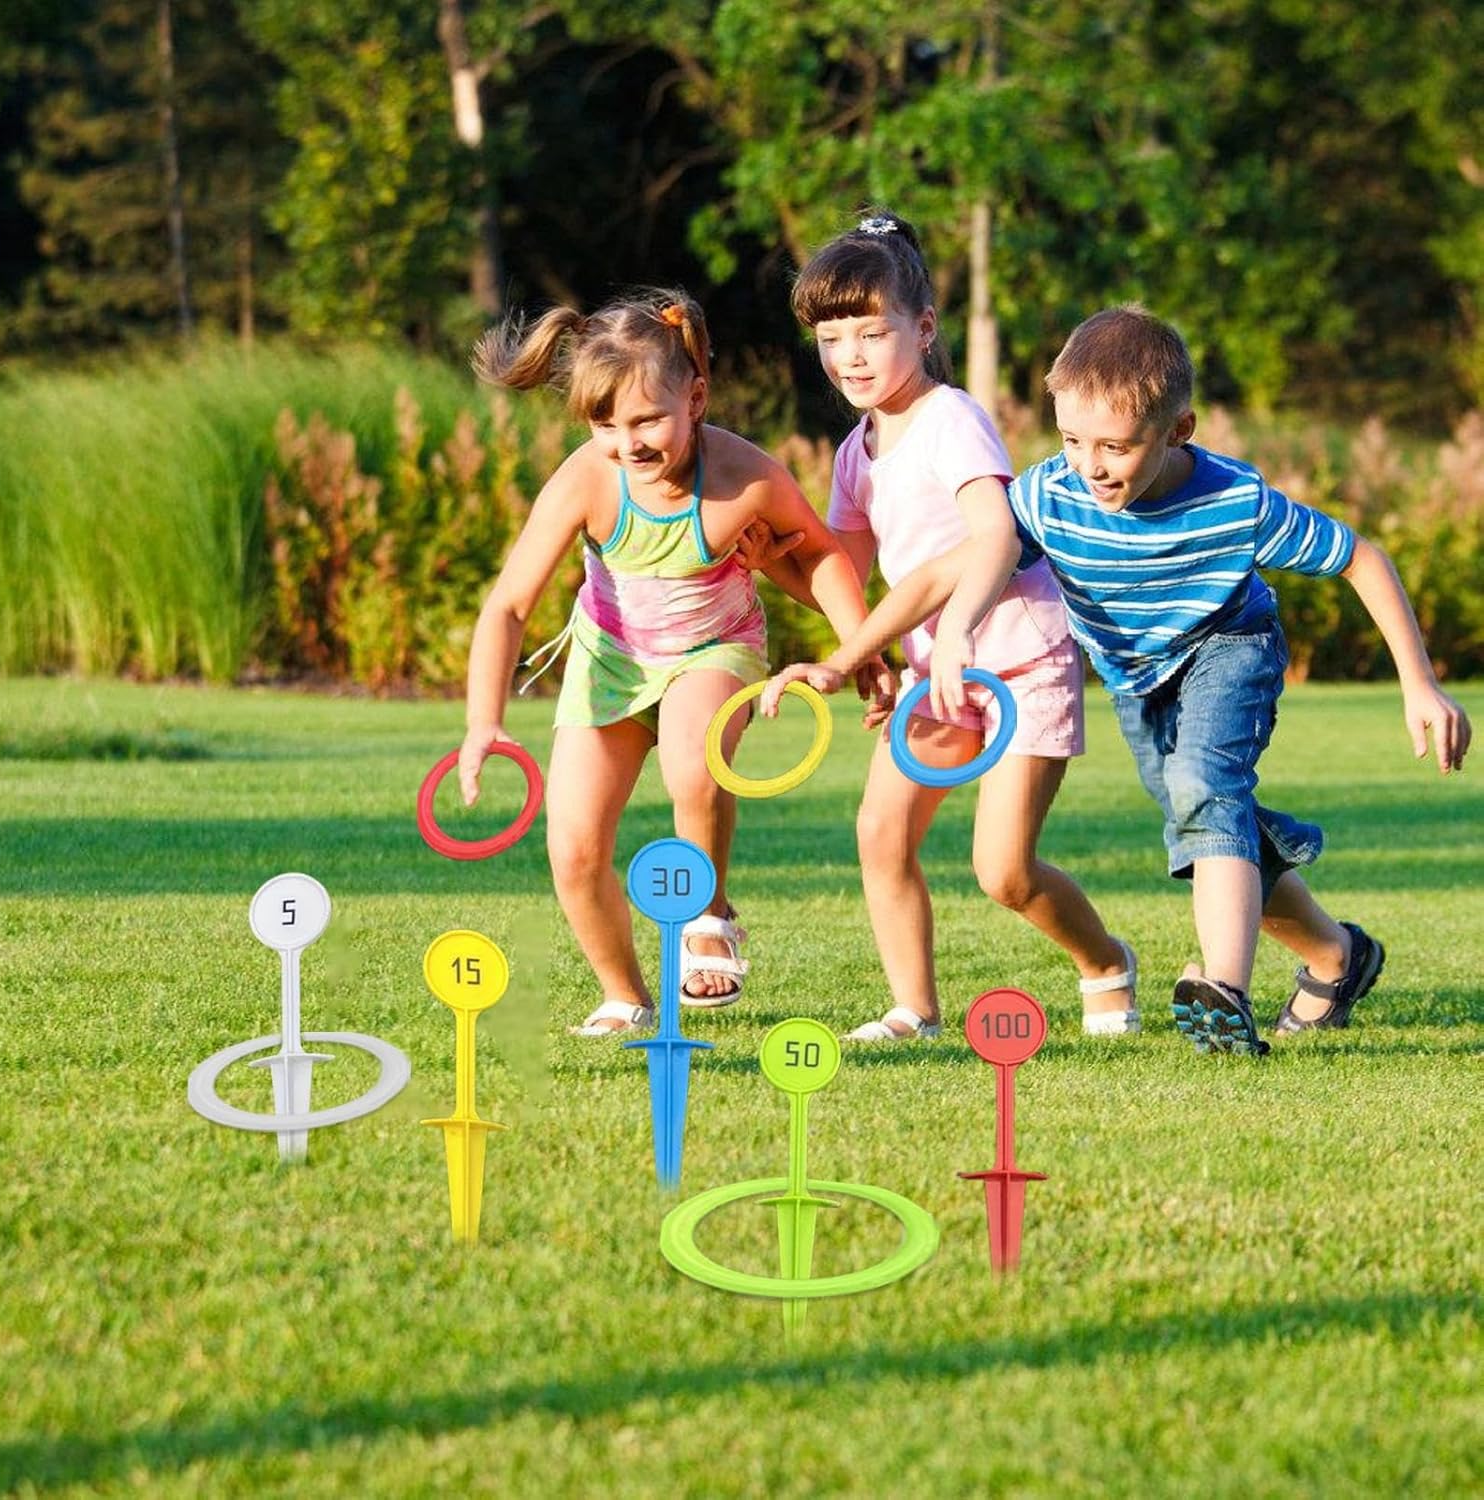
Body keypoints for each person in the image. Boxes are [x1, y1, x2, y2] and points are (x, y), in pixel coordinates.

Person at [772, 303, 1472, 1054]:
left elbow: (1361, 557)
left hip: (1229, 646)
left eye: (1116, 446)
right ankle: (1336, 954)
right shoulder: (1053, 495)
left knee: (1204, 791)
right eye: (1072, 440)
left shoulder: (1235, 503)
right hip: (1137, 679)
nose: (1092, 466)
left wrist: (1419, 684)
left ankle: (1224, 994)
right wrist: (849, 657)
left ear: (1179, 430)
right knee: (1208, 823)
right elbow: (948, 571)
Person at [752, 213, 1138, 1043]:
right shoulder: (854, 453)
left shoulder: (951, 419)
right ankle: (914, 1010)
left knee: (1003, 872)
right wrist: (768, 567)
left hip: (1020, 658)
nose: (850, 356)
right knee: (880, 830)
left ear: (923, 329)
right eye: (830, 338)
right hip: (939, 671)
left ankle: (1105, 963)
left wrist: (955, 629)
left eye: (871, 333)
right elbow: (843, 579)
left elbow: (994, 536)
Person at [461, 290, 869, 1035]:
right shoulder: (588, 479)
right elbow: (509, 605)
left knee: (693, 762)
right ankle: (625, 995)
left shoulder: (743, 476)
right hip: (611, 661)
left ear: (696, 398)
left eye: (648, 420)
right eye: (606, 425)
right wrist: (483, 723)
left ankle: (708, 916)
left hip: (715, 649)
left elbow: (820, 556)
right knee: (573, 848)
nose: (629, 444)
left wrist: (859, 649)